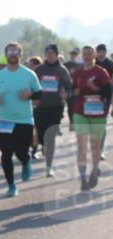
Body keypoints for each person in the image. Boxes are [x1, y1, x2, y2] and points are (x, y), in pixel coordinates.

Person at [0, 42, 41, 197]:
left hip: (24, 120)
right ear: (6, 55)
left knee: (21, 152)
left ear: (20, 54)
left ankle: (25, 160)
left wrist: (30, 95)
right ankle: (11, 186)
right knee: (6, 153)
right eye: (10, 52)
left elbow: (39, 93)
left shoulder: (29, 74)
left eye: (15, 52)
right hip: (3, 120)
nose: (12, 54)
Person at [71, 45, 112, 190]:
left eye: (90, 54)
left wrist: (95, 89)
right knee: (81, 146)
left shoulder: (101, 72)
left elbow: (108, 92)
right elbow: (72, 90)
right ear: (81, 56)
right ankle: (83, 178)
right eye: (85, 54)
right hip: (80, 112)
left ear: (94, 55)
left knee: (95, 145)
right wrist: (73, 92)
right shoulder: (77, 73)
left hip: (98, 114)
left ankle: (94, 170)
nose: (87, 56)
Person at [33, 44, 74, 177]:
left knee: (50, 136)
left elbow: (70, 88)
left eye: (52, 53)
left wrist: (66, 94)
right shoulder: (39, 70)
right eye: (48, 53)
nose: (50, 55)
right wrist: (33, 97)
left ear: (56, 54)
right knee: (41, 136)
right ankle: (44, 147)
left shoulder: (62, 70)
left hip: (56, 107)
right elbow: (32, 86)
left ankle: (49, 166)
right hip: (40, 107)